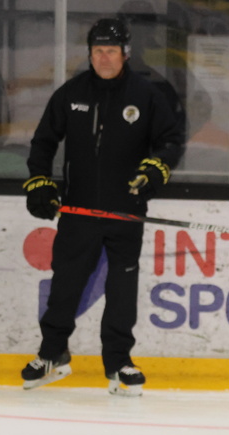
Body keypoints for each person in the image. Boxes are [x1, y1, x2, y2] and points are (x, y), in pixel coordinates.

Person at [21, 17, 184, 396]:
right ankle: (52, 353)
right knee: (65, 285)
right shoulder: (71, 93)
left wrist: (154, 169)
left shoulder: (145, 95)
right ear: (90, 54)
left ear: (125, 54)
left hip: (126, 211)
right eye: (97, 51)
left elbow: (170, 142)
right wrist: (40, 181)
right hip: (79, 211)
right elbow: (43, 142)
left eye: (111, 51)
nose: (104, 58)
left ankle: (118, 362)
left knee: (122, 289)